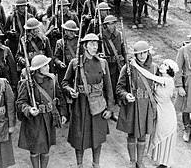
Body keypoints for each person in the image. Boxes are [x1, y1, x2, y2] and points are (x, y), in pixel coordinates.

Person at [61, 33, 113, 168]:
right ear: (85, 46)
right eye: (92, 44)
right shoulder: (75, 63)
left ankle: (96, 164)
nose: (95, 47)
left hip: (97, 105)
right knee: (79, 138)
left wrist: (110, 109)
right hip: (80, 106)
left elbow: (108, 88)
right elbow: (64, 82)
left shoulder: (102, 63)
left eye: (96, 44)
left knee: (97, 137)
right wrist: (69, 90)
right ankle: (79, 165)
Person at [17, 54, 67, 168]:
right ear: (38, 69)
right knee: (34, 149)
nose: (48, 68)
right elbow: (20, 102)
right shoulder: (27, 83)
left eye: (47, 65)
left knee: (46, 147)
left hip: (49, 117)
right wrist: (29, 109)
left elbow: (60, 97)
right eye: (45, 66)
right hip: (34, 120)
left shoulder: (52, 79)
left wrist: (63, 113)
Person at [116, 40, 158, 168]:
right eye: (139, 53)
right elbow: (119, 87)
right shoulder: (128, 68)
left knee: (143, 135)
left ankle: (140, 161)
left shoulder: (154, 68)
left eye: (145, 52)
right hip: (132, 106)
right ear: (135, 55)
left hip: (146, 105)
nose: (142, 56)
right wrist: (125, 95)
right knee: (131, 134)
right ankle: (132, 160)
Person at [141, 59, 179, 168]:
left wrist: (135, 65)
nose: (162, 66)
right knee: (158, 133)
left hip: (166, 112)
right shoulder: (162, 79)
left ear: (170, 70)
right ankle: (162, 161)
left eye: (166, 65)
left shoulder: (168, 80)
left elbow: (149, 75)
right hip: (160, 110)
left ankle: (165, 163)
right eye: (162, 64)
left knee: (164, 135)